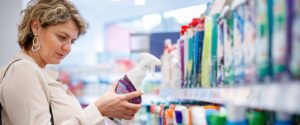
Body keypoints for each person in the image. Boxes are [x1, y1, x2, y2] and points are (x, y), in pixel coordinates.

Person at [0, 0, 143, 124]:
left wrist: (108, 111)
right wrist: (98, 109)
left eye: (72, 41)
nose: (68, 48)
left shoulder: (39, 72)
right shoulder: (23, 70)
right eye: (62, 37)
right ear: (36, 27)